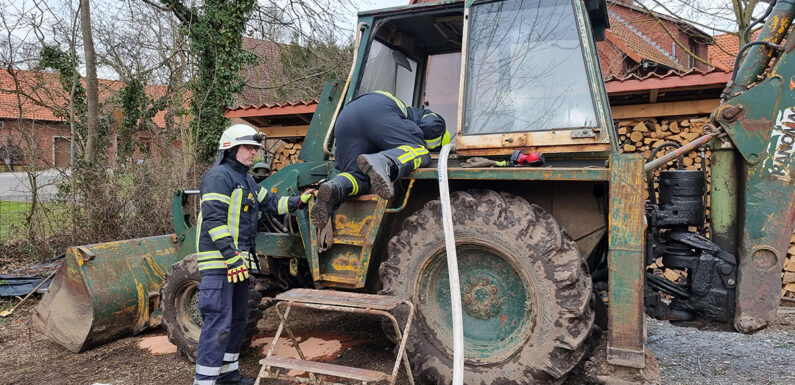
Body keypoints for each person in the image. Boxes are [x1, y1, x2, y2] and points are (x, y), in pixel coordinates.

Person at [193, 123, 315, 385]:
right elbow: (214, 221)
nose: (254, 153)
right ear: (230, 148)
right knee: (218, 323)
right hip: (220, 263)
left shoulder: (247, 180)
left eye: (255, 148)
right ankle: (204, 381)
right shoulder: (218, 177)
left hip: (238, 264)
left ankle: (228, 376)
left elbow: (272, 203)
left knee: (238, 320)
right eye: (248, 147)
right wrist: (231, 256)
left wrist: (299, 201)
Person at [311, 90, 448, 229]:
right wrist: (430, 148)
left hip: (345, 117)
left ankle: (335, 188)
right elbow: (431, 126)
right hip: (377, 110)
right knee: (421, 151)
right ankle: (385, 163)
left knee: (356, 176)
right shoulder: (427, 117)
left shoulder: (400, 117)